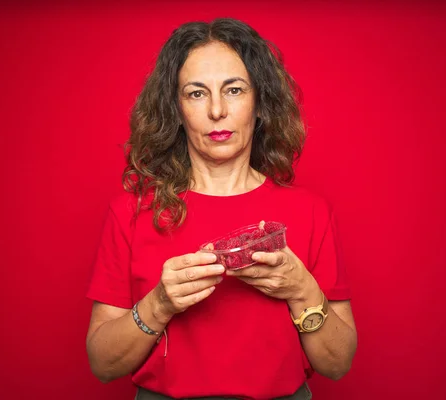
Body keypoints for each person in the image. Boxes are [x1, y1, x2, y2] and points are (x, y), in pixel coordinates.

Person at [85, 17, 357, 400]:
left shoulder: (311, 211)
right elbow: (102, 364)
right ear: (176, 110)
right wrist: (159, 304)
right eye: (196, 93)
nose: (216, 110)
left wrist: (302, 290)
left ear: (259, 103)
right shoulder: (130, 212)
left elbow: (338, 364)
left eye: (234, 90)